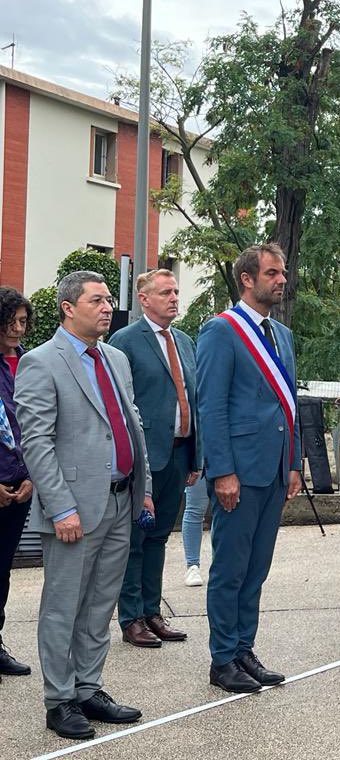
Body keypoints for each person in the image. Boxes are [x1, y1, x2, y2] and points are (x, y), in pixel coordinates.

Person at [16, 271, 153, 740]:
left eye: (109, 299)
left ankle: (88, 688)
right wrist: (60, 508)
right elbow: (35, 443)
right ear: (68, 307)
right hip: (74, 508)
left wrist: (145, 487)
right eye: (96, 299)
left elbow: (132, 426)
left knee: (99, 605)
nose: (107, 306)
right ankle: (59, 701)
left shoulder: (115, 357)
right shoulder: (40, 362)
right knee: (63, 607)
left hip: (119, 502)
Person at [197, 244, 302, 693]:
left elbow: (289, 404)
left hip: (275, 469)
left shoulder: (281, 334)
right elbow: (211, 405)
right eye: (273, 273)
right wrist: (222, 471)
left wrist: (294, 462)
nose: (281, 280)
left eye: (282, 273)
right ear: (247, 279)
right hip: (239, 471)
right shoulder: (221, 331)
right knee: (230, 569)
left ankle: (243, 649)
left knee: (256, 569)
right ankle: (222, 660)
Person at [109, 269, 202, 647]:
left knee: (160, 536)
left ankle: (152, 611)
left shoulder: (184, 341)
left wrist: (197, 456)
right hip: (143, 458)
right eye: (165, 292)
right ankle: (131, 617)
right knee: (134, 538)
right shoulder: (125, 341)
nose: (174, 298)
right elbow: (119, 403)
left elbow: (194, 399)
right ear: (144, 299)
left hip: (180, 455)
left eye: (176, 291)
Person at [0, 287, 35, 682]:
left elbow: (39, 428)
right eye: (10, 320)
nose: (16, 328)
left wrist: (31, 477)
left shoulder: (29, 364)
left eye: (23, 321)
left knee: (2, 568)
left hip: (21, 482)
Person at [181, 472, 210, 587]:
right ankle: (192, 566)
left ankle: (221, 565)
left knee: (226, 510)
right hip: (201, 458)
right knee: (195, 508)